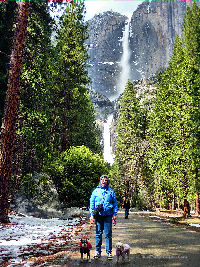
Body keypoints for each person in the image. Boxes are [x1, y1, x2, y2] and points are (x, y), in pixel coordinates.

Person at [89, 175, 118, 260]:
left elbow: (115, 203)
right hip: (98, 215)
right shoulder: (95, 191)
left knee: (108, 234)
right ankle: (98, 251)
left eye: (105, 180)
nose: (104, 181)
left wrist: (114, 214)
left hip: (108, 215)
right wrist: (91, 215)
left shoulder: (111, 192)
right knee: (98, 234)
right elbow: (91, 203)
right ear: (100, 181)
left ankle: (109, 252)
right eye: (102, 180)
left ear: (107, 182)